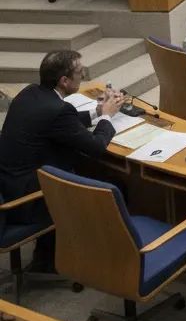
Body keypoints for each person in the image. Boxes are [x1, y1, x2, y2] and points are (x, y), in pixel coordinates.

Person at [0, 50, 125, 271]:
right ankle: (108, 255)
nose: (83, 75)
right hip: (28, 202)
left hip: (9, 186)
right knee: (113, 181)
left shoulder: (30, 93)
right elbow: (96, 146)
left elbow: (61, 122)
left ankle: (49, 254)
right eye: (79, 72)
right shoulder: (58, 109)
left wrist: (98, 111)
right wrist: (107, 116)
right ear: (64, 81)